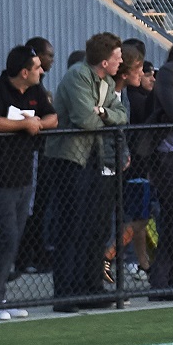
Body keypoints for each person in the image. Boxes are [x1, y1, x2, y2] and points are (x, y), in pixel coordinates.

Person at [0, 44, 56, 319]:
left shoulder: (35, 91)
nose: (41, 71)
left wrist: (39, 125)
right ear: (23, 72)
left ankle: (1, 299)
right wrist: (24, 124)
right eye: (36, 68)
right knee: (5, 235)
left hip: (24, 176)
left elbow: (52, 117)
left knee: (14, 236)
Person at [45, 33, 127, 312]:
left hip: (94, 159)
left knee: (95, 226)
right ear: (104, 61)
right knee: (71, 226)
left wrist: (103, 113)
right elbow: (83, 119)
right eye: (117, 57)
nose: (121, 62)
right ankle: (65, 292)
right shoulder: (77, 76)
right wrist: (104, 116)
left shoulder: (107, 82)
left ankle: (91, 286)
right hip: (70, 159)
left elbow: (121, 114)